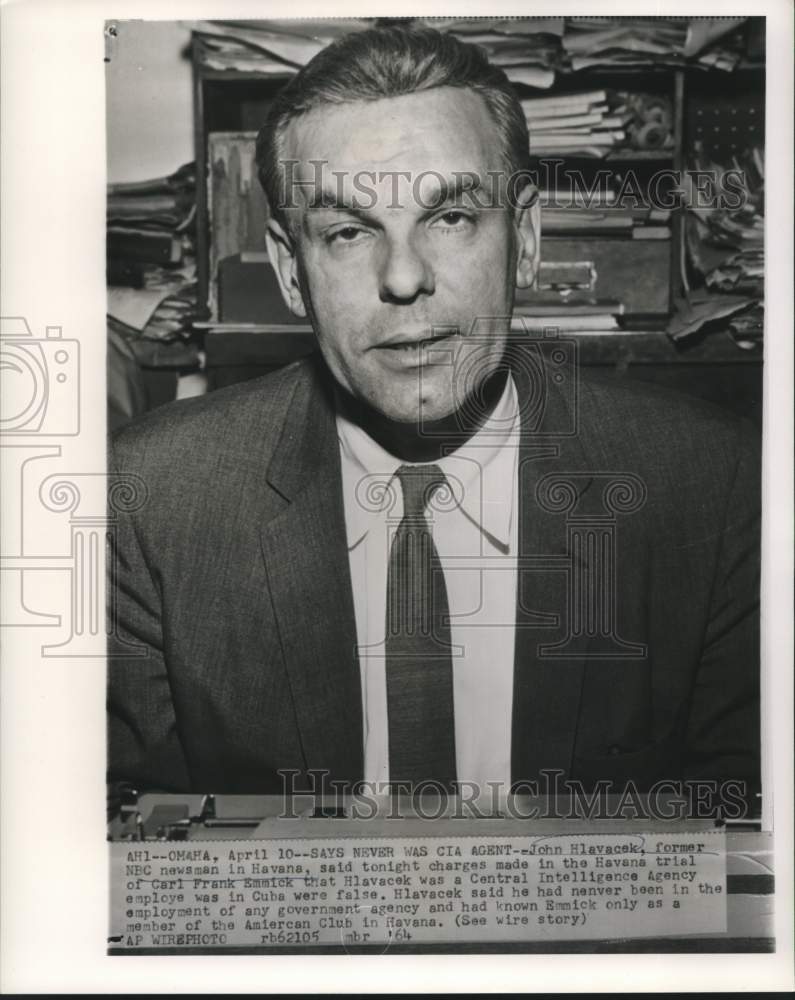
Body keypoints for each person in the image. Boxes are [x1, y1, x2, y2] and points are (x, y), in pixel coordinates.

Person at [108, 26, 760, 808]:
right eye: (347, 233)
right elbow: (132, 863)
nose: (405, 278)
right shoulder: (151, 497)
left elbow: (742, 853)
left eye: (450, 218)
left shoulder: (712, 483)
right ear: (289, 271)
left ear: (523, 237)